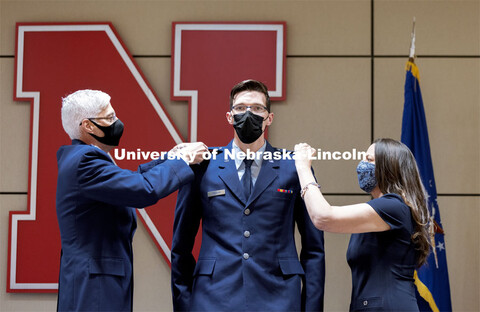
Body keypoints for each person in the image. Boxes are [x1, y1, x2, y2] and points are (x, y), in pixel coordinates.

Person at [171, 80, 325, 311]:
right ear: (229, 117)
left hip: (279, 297)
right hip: (213, 297)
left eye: (257, 108)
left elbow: (313, 250)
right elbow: (181, 247)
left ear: (269, 118)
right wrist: (185, 305)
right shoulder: (202, 165)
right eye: (241, 108)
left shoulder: (294, 166)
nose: (248, 113)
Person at [56, 89, 207, 312]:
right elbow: (142, 189)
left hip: (96, 280)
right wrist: (183, 160)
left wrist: (169, 157)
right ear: (87, 126)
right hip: (94, 285)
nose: (117, 122)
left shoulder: (82, 159)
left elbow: (130, 179)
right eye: (109, 118)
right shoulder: (85, 161)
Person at [294, 138, 432, 311]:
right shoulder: (380, 211)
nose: (361, 165)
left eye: (369, 160)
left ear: (388, 167)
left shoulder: (394, 206)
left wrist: (303, 167)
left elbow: (323, 217)